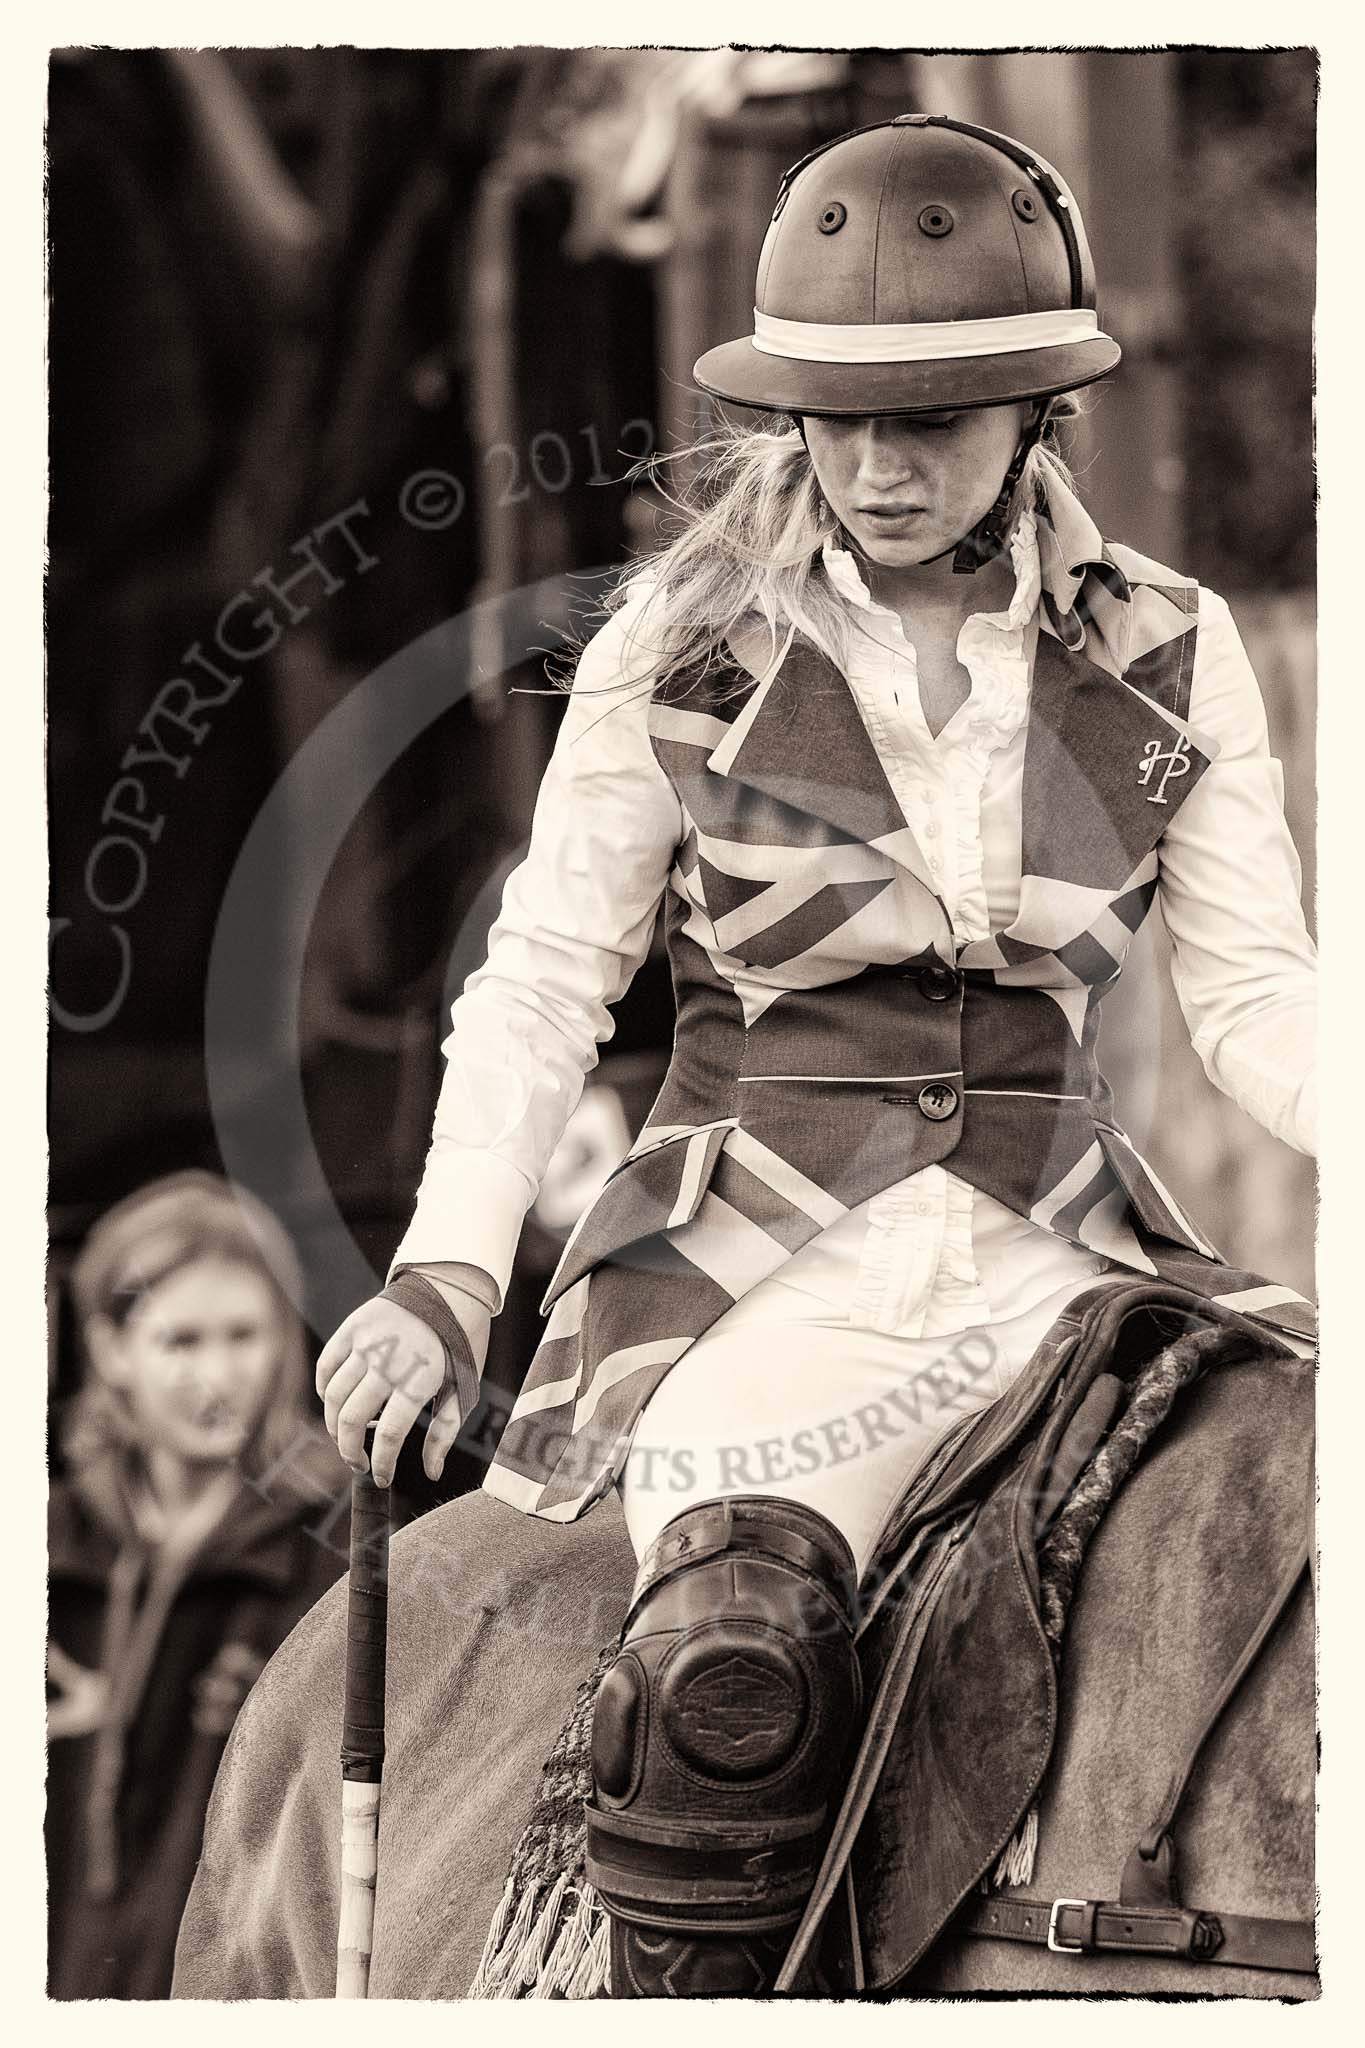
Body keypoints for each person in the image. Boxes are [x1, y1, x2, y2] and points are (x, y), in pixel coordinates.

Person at [315, 113, 1317, 1997]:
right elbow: (544, 974)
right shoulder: (678, 653)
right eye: (838, 415)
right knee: (735, 1641)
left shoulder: (1171, 653)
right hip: (758, 1266)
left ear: (1038, 415)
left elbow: (1257, 1002)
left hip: (1072, 1255)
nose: (878, 462)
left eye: (933, 417)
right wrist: (448, 1271)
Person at [47, 1171, 346, 1998]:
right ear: (111, 1349)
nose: (218, 1376)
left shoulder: (345, 1546)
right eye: (181, 1342)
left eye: (243, 1335)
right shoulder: (47, 1540)